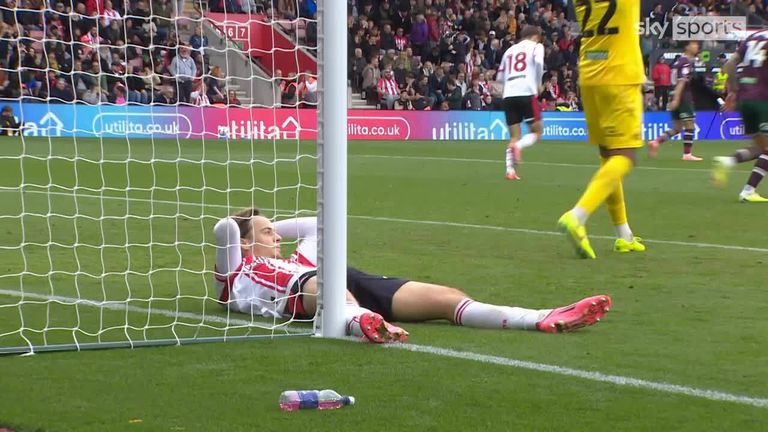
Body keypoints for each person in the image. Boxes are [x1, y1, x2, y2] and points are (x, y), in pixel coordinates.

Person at [212, 209, 612, 344]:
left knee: (446, 297)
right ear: (244, 243)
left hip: (339, 279)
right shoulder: (236, 271)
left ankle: (538, 317)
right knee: (327, 287)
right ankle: (363, 323)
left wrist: (266, 225)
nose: (278, 237)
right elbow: (223, 228)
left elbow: (319, 222)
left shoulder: (299, 255)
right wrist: (250, 224)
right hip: (302, 292)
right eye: (268, 233)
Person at [558, 0, 646, 259]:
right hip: (619, 75)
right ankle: (577, 216)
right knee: (625, 157)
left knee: (609, 156)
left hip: (590, 73)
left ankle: (624, 235)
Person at [712, 30, 768, 203]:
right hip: (764, 99)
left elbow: (729, 64)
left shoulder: (753, 37)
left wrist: (733, 90)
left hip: (745, 99)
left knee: (761, 148)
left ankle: (728, 161)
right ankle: (748, 191)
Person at [496, 25, 544, 181]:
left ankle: (510, 171)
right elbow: (538, 63)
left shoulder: (509, 51)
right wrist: (538, 84)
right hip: (526, 92)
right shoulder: (537, 47)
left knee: (514, 136)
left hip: (509, 95)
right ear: (535, 36)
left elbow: (500, 78)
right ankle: (518, 147)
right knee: (537, 131)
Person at [648, 41, 704, 161]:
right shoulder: (685, 62)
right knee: (690, 125)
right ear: (687, 47)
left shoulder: (677, 62)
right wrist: (677, 99)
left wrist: (673, 97)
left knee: (677, 128)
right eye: (694, 44)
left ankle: (656, 141)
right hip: (683, 97)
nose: (697, 46)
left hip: (674, 94)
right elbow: (682, 81)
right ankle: (687, 154)